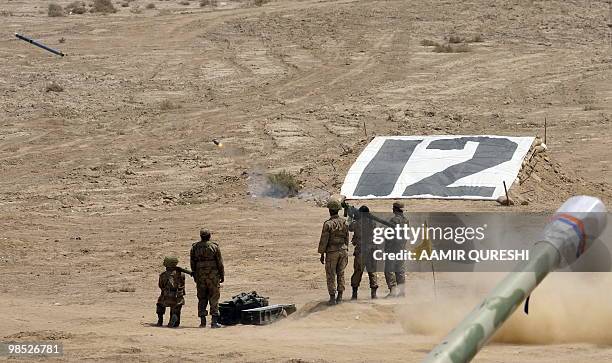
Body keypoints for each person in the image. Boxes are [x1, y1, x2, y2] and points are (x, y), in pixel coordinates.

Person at [190, 229, 224, 328]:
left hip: (200, 276)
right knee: (214, 297)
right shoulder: (214, 246)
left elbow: (192, 263)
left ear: (201, 236)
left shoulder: (195, 247)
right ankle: (214, 321)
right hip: (213, 276)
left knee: (202, 297)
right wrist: (222, 275)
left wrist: (196, 275)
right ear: (209, 236)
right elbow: (220, 263)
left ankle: (203, 321)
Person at [318, 198, 349, 305]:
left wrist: (322, 254)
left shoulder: (328, 224)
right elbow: (347, 237)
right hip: (343, 250)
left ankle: (332, 297)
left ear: (330, 210)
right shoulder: (344, 222)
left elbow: (324, 240)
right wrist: (346, 249)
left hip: (332, 252)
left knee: (331, 274)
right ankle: (340, 297)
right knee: (341, 273)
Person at [349, 205, 379, 299]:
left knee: (358, 271)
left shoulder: (357, 223)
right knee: (372, 271)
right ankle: (373, 294)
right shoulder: (373, 222)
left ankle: (354, 294)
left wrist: (351, 217)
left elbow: (350, 227)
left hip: (361, 250)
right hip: (372, 250)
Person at [384, 201, 408, 298]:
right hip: (401, 248)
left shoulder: (393, 221)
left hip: (392, 248)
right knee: (400, 270)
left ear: (395, 209)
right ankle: (401, 292)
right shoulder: (406, 220)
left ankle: (393, 291)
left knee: (389, 270)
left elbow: (389, 235)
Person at [156, 256, 186, 328]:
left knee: (159, 304)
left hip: (166, 297)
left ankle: (160, 321)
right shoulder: (181, 274)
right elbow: (182, 284)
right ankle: (174, 319)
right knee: (176, 309)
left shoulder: (163, 275)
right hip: (177, 297)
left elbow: (161, 286)